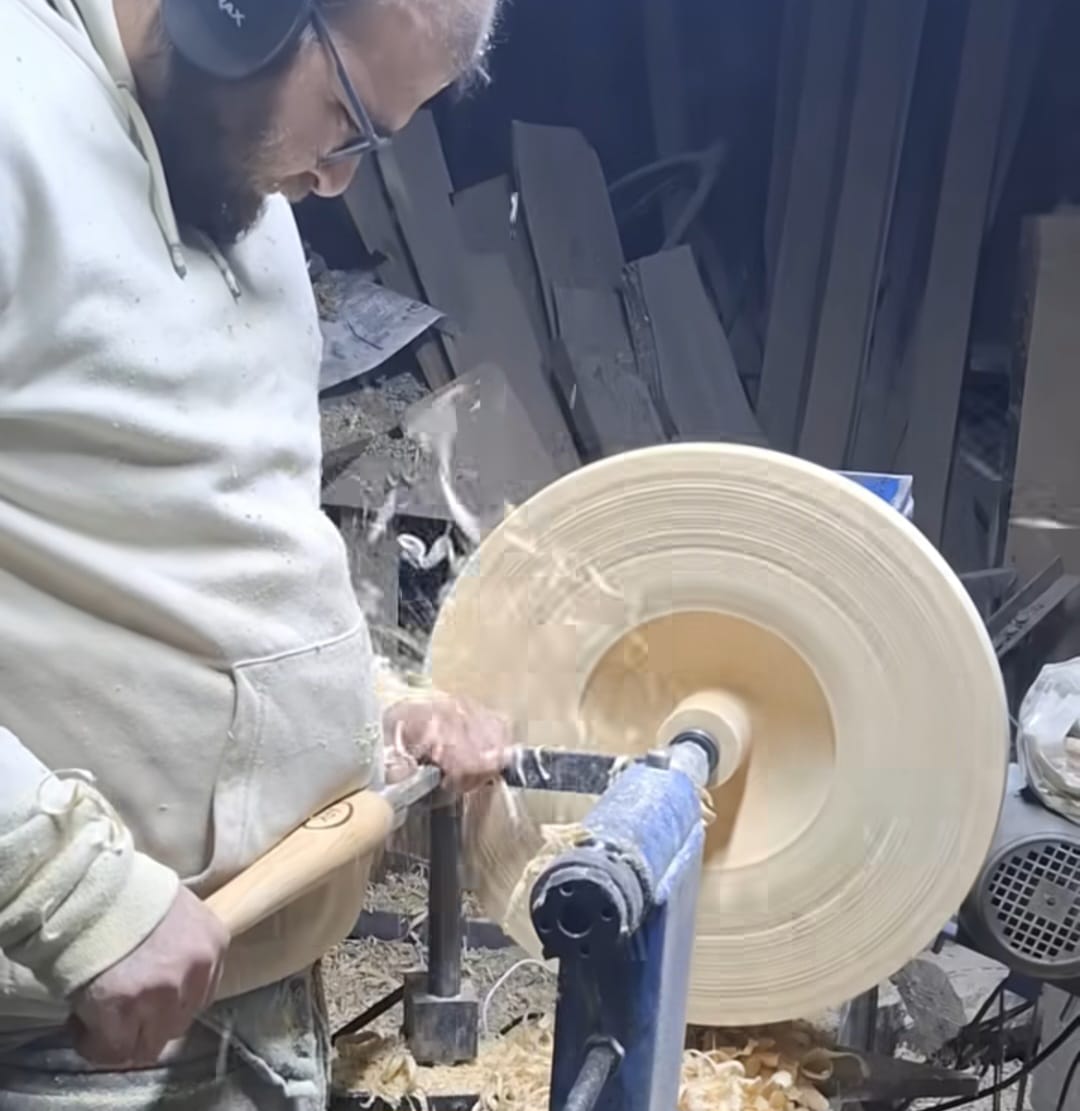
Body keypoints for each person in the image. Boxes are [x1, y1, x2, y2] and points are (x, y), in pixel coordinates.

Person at [0, 0, 509, 1106]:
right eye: (347, 118)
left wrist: (367, 713)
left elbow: (212, 533)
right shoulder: (16, 118)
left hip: (251, 992)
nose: (337, 179)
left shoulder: (236, 186)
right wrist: (66, 891)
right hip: (74, 1037)